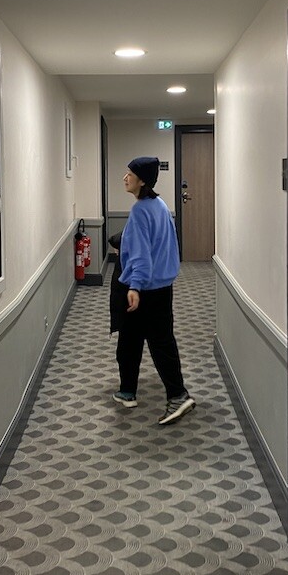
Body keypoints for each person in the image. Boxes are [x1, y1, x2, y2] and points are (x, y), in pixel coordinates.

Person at [110, 156, 195, 425]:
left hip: (145, 288)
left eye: (130, 174)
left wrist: (135, 286)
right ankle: (127, 391)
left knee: (159, 343)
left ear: (142, 180)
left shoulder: (140, 211)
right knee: (132, 338)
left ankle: (178, 395)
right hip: (161, 286)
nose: (125, 178)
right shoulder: (160, 206)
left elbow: (141, 255)